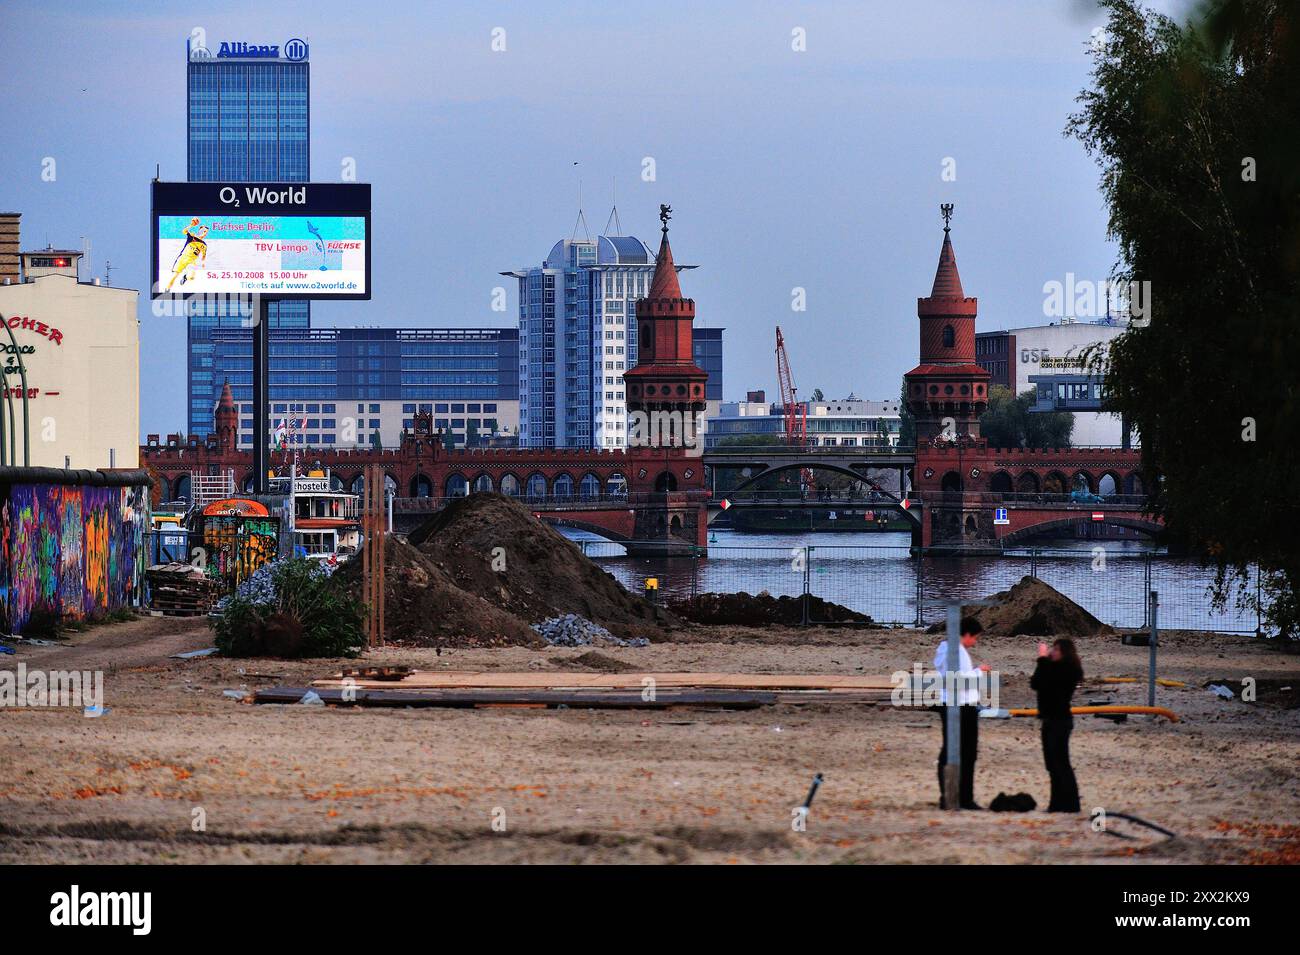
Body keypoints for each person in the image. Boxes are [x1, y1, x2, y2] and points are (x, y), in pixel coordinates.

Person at [934, 617, 989, 810]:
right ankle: (962, 797)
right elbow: (959, 681)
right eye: (975, 638)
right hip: (961, 706)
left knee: (951, 751)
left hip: (951, 704)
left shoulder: (945, 649)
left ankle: (950, 796)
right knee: (964, 752)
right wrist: (979, 672)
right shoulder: (956, 652)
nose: (975, 642)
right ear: (966, 635)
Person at [1030, 638, 1084, 812]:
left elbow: (1050, 682)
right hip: (1049, 719)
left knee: (1061, 763)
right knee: (1052, 764)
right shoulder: (1052, 667)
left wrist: (1043, 659)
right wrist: (1043, 662)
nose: (1052, 652)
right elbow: (1036, 683)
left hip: (1060, 720)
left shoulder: (1068, 670)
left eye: (1056, 649)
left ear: (1064, 652)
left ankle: (1071, 804)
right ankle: (1056, 804)